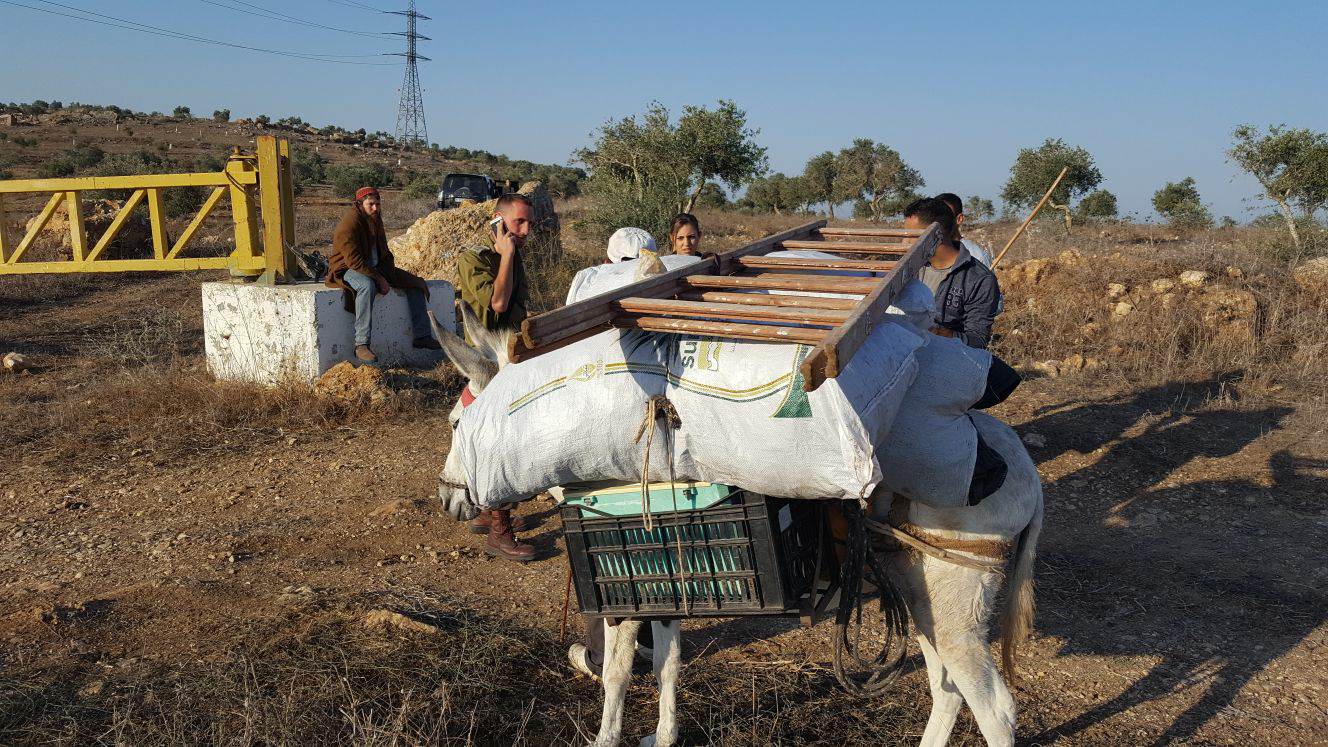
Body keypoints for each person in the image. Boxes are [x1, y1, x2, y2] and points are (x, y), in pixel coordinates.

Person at [454, 192, 536, 562]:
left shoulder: (512, 255)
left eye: (528, 223)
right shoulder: (474, 258)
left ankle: (489, 512)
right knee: (502, 441)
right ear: (498, 221)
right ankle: (499, 531)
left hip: (510, 356)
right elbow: (498, 305)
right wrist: (506, 255)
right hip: (489, 364)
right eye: (519, 222)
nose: (526, 230)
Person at [325, 187, 437, 364]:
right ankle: (361, 344)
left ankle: (422, 336)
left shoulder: (375, 219)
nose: (375, 208)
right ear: (360, 204)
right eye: (371, 204)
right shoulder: (350, 224)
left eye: (378, 204)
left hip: (374, 267)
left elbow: (383, 251)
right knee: (366, 286)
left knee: (415, 283)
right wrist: (379, 278)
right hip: (347, 269)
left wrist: (389, 273)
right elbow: (354, 261)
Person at [903, 197, 1000, 349]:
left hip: (944, 357)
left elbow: (977, 341)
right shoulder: (907, 267)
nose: (904, 243)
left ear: (936, 234)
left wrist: (942, 334)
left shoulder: (979, 280)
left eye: (910, 237)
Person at [936, 192, 1004, 314]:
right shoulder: (925, 254)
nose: (940, 223)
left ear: (959, 219)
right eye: (936, 217)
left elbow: (996, 304)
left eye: (946, 217)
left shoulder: (976, 255)